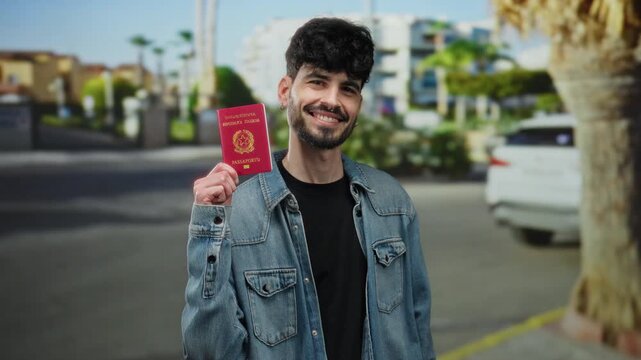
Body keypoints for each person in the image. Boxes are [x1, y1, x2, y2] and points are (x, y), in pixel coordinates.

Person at [181, 17, 435, 360]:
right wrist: (209, 226)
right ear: (286, 90)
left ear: (358, 103)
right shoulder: (237, 209)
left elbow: (417, 328)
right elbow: (208, 351)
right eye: (318, 81)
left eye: (348, 88)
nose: (332, 100)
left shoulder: (392, 202)